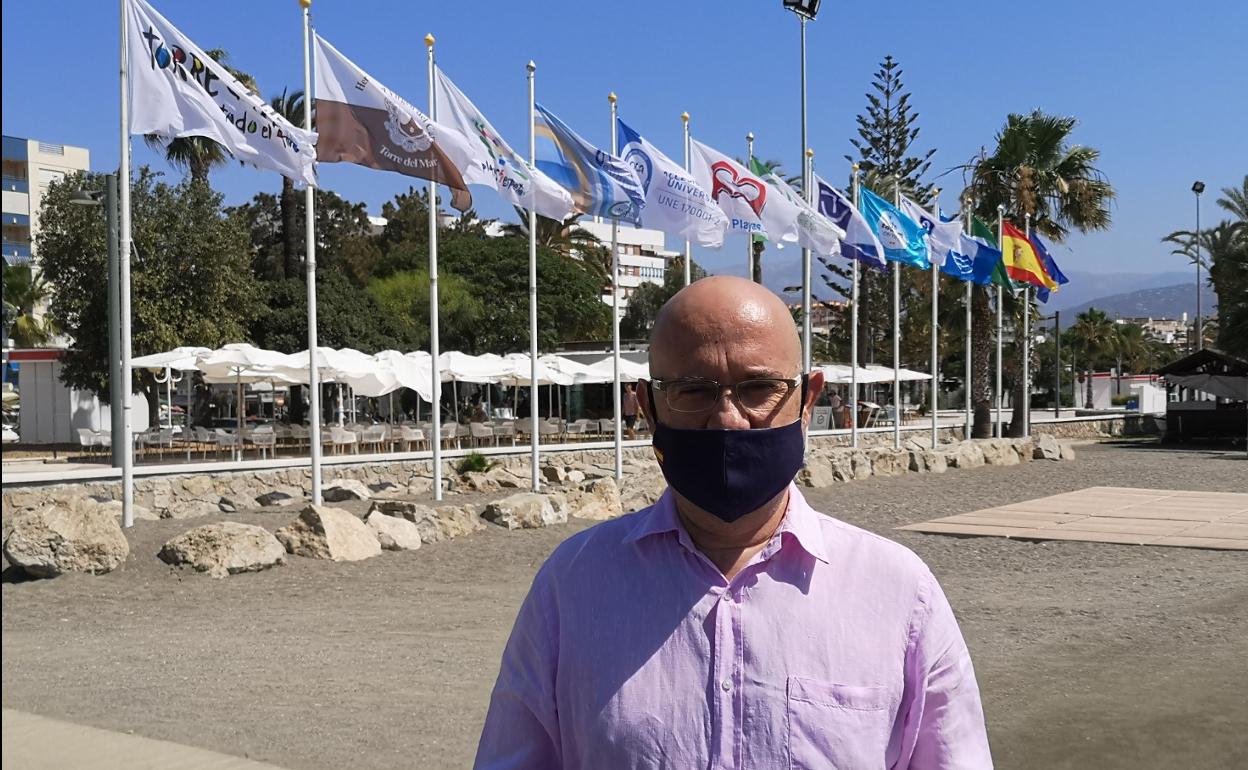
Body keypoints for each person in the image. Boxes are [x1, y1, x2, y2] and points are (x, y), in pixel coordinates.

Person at [474, 276, 992, 769]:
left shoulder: (898, 592)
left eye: (758, 387)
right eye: (694, 390)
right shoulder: (572, 586)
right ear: (649, 406)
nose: (727, 418)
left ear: (807, 400)